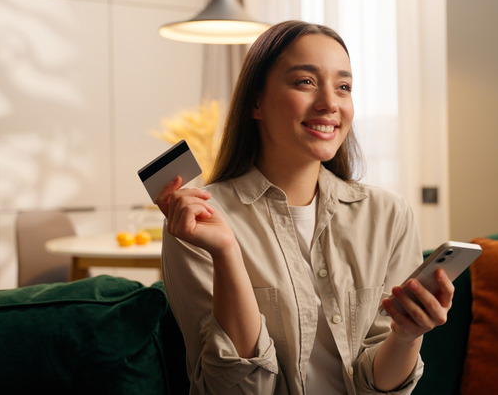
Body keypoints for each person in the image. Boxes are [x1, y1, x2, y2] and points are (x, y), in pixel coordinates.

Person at [155, 20, 454, 395]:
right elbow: (239, 389)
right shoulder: (199, 221)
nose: (330, 103)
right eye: (305, 82)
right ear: (256, 101)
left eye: (343, 86)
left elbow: (379, 387)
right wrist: (226, 252)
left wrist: (407, 335)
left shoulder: (389, 215)